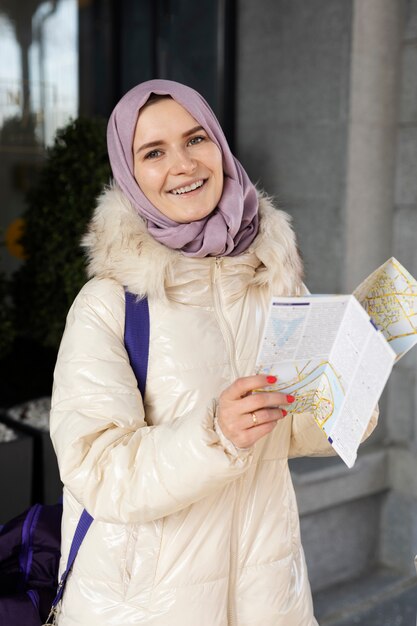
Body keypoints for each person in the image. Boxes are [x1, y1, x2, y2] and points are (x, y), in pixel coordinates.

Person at [50, 79, 377, 626]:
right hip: (144, 603)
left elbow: (289, 430)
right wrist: (215, 434)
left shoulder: (271, 278)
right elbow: (97, 468)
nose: (183, 164)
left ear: (220, 149)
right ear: (130, 175)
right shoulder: (109, 303)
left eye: (196, 139)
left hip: (266, 589)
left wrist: (346, 393)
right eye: (153, 152)